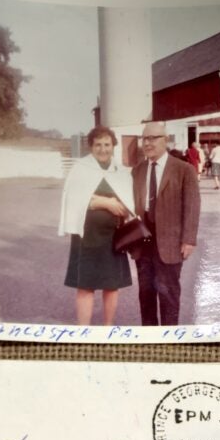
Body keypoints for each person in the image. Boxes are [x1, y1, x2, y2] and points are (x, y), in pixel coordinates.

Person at [58, 126, 134, 325]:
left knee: (111, 285)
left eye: (107, 144)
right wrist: (105, 202)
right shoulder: (81, 168)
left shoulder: (120, 171)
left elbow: (130, 202)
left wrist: (122, 207)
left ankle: (107, 329)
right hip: (87, 236)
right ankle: (84, 331)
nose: (103, 149)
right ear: (91, 146)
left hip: (114, 237)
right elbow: (74, 199)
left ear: (113, 146)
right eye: (98, 144)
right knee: (85, 286)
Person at [131, 122, 201, 326]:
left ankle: (170, 341)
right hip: (142, 242)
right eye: (145, 139)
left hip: (170, 242)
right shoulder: (137, 170)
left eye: (154, 138)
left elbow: (192, 206)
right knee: (145, 294)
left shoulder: (183, 169)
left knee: (168, 293)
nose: (148, 143)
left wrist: (188, 239)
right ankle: (150, 340)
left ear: (166, 140)